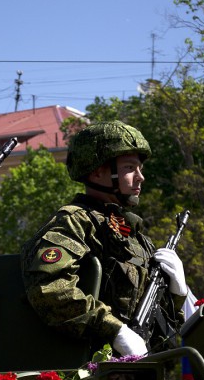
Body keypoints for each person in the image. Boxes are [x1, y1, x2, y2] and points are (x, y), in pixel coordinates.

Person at [21, 121, 186, 358]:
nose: (141, 178)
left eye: (140, 169)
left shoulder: (137, 237)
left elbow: (162, 327)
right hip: (90, 371)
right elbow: (49, 289)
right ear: (98, 171)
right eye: (130, 168)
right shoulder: (75, 222)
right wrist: (115, 330)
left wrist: (177, 294)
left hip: (138, 371)